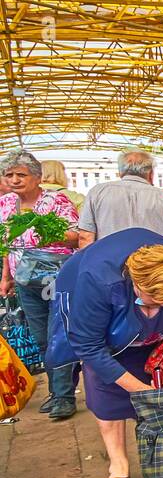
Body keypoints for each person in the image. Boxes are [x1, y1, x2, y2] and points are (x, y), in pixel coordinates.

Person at [46, 230, 163, 478]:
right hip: (98, 320)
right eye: (150, 304)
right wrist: (139, 389)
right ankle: (118, 463)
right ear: (136, 284)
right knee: (107, 390)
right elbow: (90, 346)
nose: (154, 311)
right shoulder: (98, 280)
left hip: (146, 313)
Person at [0, 150, 80, 420]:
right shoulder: (6, 204)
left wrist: (49, 231)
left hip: (53, 276)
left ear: (36, 177)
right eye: (9, 175)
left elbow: (77, 235)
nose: (14, 180)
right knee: (41, 338)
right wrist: (6, 277)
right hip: (24, 280)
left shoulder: (55, 200)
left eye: (21, 174)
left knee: (58, 333)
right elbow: (6, 246)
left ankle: (64, 396)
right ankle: (57, 391)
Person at [78, 148, 163, 247]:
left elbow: (85, 237)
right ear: (150, 173)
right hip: (154, 265)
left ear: (120, 172)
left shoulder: (96, 193)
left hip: (108, 265)